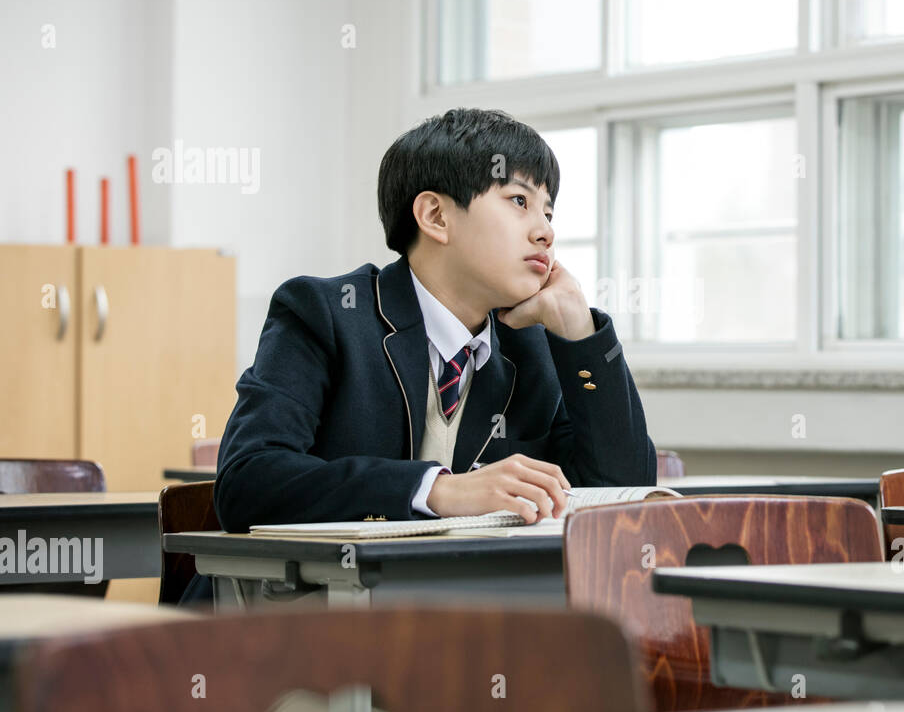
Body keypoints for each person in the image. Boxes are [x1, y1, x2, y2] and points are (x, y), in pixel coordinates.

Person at [212, 108, 657, 536]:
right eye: (519, 201)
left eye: (548, 212)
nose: (546, 231)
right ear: (436, 217)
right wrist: (438, 489)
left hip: (456, 604)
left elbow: (625, 492)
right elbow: (248, 481)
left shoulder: (533, 347)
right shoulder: (324, 314)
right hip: (303, 604)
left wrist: (580, 333)